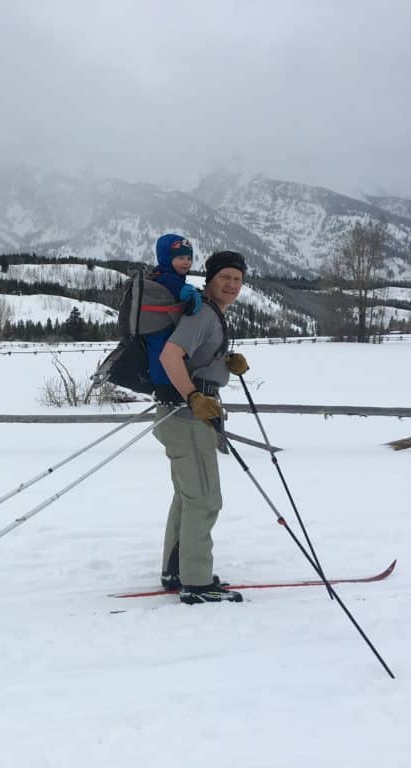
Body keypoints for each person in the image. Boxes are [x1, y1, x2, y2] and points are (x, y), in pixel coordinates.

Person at [153, 249, 250, 604]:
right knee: (206, 498)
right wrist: (194, 396)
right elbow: (170, 355)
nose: (232, 285)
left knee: (188, 497)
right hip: (187, 417)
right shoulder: (203, 314)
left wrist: (225, 363)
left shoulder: (210, 315)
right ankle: (196, 581)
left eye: (238, 279)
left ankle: (176, 570)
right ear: (209, 279)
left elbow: (192, 356)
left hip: (185, 415)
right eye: (225, 277)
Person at [143, 234, 203, 388]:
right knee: (161, 349)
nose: (186, 262)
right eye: (180, 258)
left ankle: (167, 382)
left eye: (189, 258)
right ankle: (165, 385)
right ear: (166, 259)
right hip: (161, 325)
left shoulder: (164, 275)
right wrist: (191, 295)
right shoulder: (168, 278)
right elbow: (181, 291)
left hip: (161, 323)